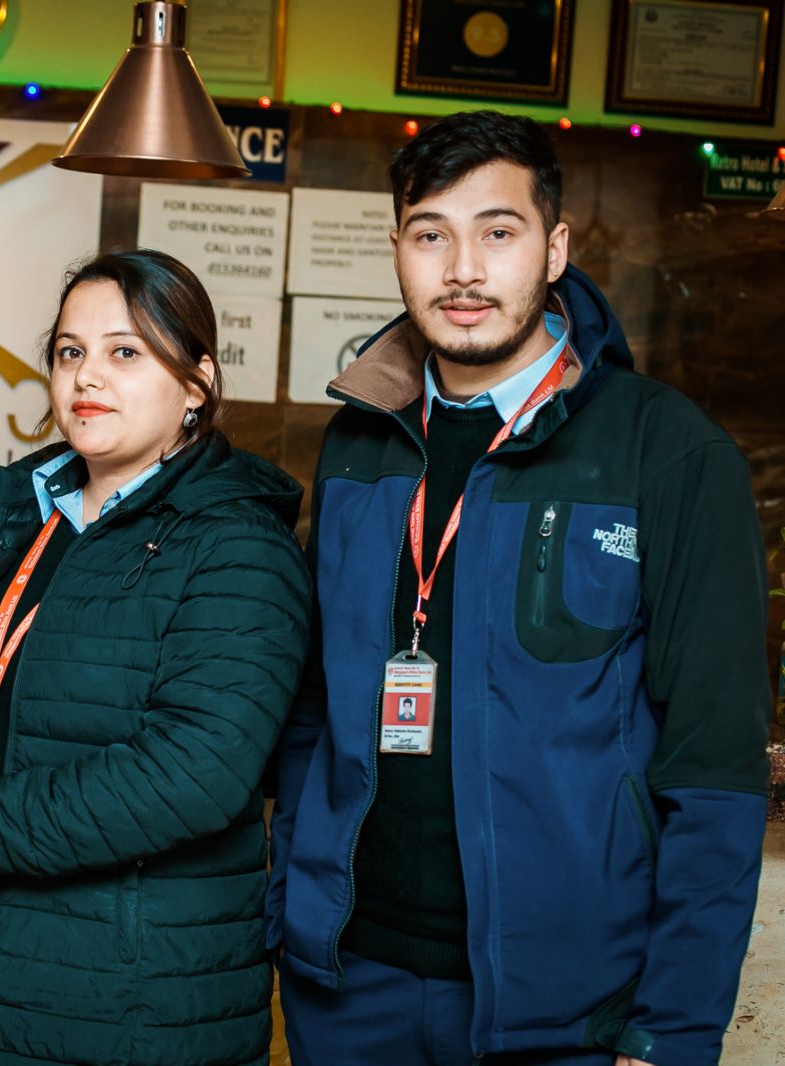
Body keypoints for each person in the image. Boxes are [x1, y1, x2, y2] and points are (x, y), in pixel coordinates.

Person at [267, 110, 771, 1066]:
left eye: (498, 232)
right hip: (349, 992)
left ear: (555, 248)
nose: (463, 270)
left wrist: (672, 1028)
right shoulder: (359, 440)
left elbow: (714, 765)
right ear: (397, 249)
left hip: (569, 1013)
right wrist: (288, 910)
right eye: (431, 235)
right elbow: (313, 712)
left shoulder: (666, 451)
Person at [0, 250, 311, 1065]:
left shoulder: (239, 545)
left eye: (126, 352)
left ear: (196, 384)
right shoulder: (14, 512)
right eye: (70, 351)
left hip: (130, 998)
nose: (88, 375)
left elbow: (196, 770)